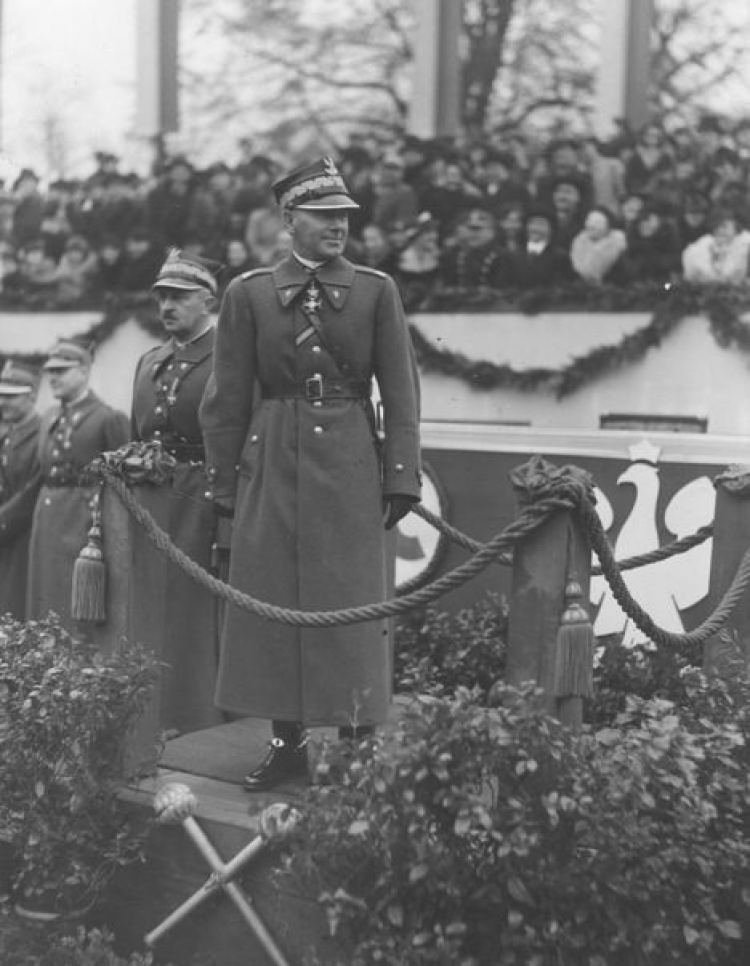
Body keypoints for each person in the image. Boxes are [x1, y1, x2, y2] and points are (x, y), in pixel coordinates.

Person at [199, 156, 421, 791]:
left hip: (352, 459)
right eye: (324, 216)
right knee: (273, 602)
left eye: (344, 217)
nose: (338, 227)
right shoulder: (247, 294)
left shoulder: (377, 290)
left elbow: (401, 390)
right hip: (271, 459)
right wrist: (223, 482)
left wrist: (401, 473)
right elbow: (229, 397)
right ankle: (285, 742)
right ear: (289, 219)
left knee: (351, 601)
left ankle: (354, 743)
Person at [129, 250, 225, 734]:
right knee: (150, 604)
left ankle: (198, 716)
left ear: (208, 299)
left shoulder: (228, 355)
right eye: (163, 296)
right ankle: (152, 713)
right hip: (152, 500)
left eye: (180, 297)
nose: (168, 306)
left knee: (194, 608)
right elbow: (136, 435)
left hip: (204, 499)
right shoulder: (150, 360)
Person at [26, 339, 129, 629]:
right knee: (45, 592)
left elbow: (123, 482)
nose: (53, 378)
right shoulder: (49, 418)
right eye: (50, 372)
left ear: (84, 371)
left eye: (62, 370)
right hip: (47, 517)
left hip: (83, 521)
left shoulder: (107, 418)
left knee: (75, 600)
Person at [0, 360, 42, 618]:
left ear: (33, 396)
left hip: (27, 534)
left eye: (12, 397)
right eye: (1, 396)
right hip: (5, 534)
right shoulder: (7, 437)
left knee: (18, 603)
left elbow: (32, 490)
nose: (3, 403)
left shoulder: (43, 435)